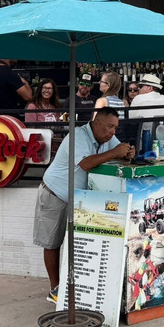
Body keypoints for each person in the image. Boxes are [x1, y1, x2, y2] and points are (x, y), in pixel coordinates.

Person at [33, 107, 134, 304]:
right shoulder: (77, 136)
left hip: (80, 199)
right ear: (97, 123)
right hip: (55, 193)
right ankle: (55, 289)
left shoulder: (107, 138)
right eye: (110, 127)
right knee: (52, 243)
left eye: (115, 127)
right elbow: (86, 163)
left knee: (79, 244)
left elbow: (117, 151)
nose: (113, 132)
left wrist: (127, 153)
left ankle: (76, 286)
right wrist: (115, 152)